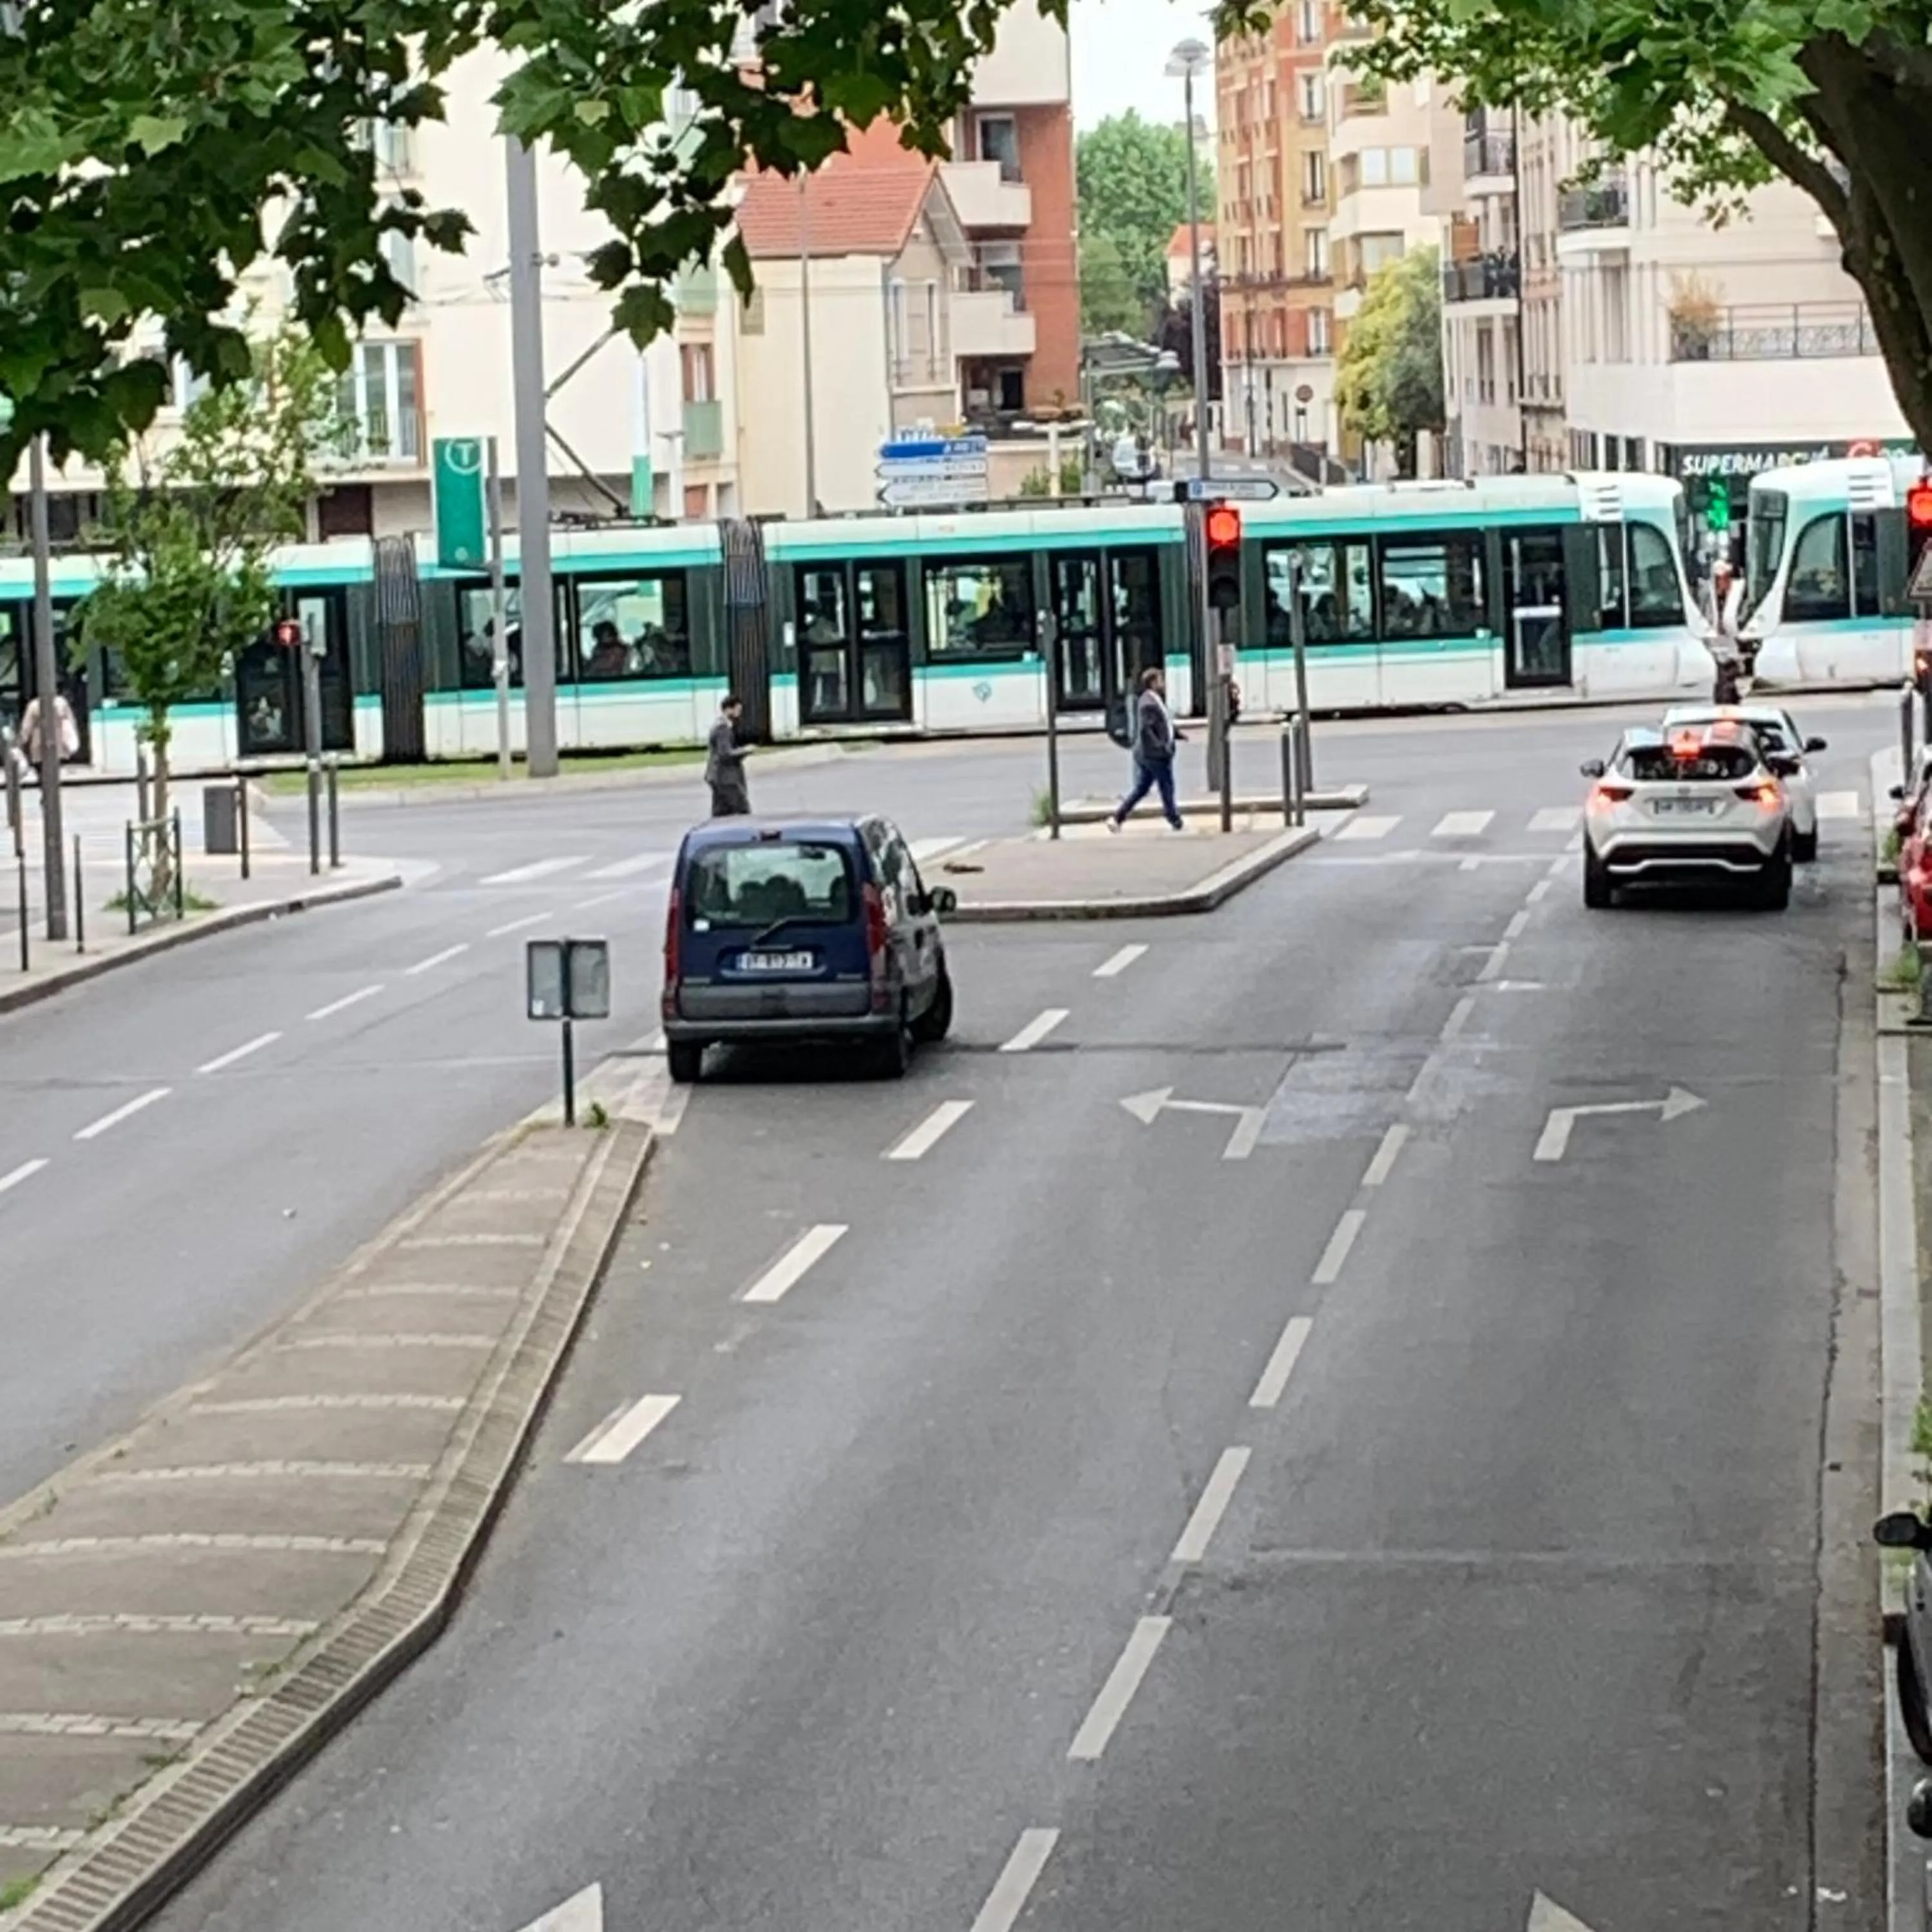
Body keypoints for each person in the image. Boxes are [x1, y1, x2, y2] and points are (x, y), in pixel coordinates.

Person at [1107, 667, 1184, 832]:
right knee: (1167, 785)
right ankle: (1174, 819)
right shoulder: (1148, 703)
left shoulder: (1154, 700)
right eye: (1160, 680)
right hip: (1154, 755)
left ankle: (1118, 818)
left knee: (1142, 789)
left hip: (1150, 754)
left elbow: (1163, 724)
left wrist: (1177, 735)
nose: (1163, 683)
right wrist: (1161, 746)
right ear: (1153, 683)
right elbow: (1147, 730)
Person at [706, 693, 751, 817]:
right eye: (738, 710)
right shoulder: (722, 728)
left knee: (721, 812)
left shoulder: (720, 725)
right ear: (729, 709)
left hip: (719, 776)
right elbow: (725, 754)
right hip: (726, 777)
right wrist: (746, 751)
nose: (739, 713)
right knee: (741, 809)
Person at [1708, 558, 1745, 703]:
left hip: (1732, 650)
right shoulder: (1710, 597)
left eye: (1724, 578)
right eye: (1719, 579)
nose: (1722, 582)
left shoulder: (1738, 592)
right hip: (1716, 650)